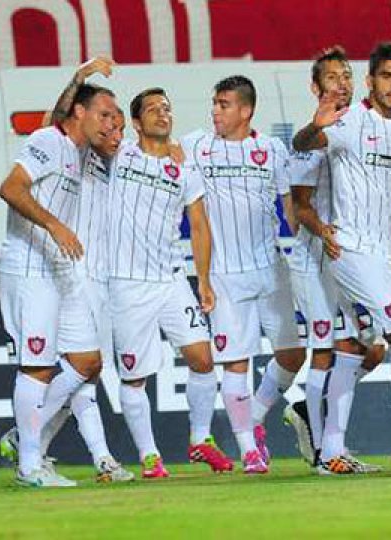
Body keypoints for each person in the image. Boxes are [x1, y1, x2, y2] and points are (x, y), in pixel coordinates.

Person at [291, 41, 391, 474]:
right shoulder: (348, 121)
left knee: (356, 347)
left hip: (380, 254)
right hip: (345, 250)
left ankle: (330, 450)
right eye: (387, 76)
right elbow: (304, 143)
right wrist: (313, 127)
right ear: (372, 81)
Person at [181, 76, 305, 474]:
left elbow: (290, 208)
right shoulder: (197, 146)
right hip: (224, 276)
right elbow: (154, 149)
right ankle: (248, 447)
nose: (215, 111)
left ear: (246, 110)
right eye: (215, 103)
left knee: (292, 354)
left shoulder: (270, 149)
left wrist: (306, 249)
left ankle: (253, 414)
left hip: (271, 270)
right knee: (235, 363)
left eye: (224, 104)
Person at [0, 80, 117, 487]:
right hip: (29, 267)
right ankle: (30, 464)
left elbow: (68, 115)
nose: (110, 123)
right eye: (103, 114)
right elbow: (10, 188)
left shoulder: (78, 151)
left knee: (86, 361)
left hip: (57, 271)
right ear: (78, 113)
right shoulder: (48, 139)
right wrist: (54, 223)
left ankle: (24, 438)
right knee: (36, 367)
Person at [109, 87, 231, 478]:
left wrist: (205, 280)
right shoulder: (119, 154)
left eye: (167, 107)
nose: (163, 114)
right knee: (134, 374)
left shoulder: (184, 169)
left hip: (171, 279)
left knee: (202, 357)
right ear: (136, 122)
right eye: (152, 109)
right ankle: (149, 455)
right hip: (126, 283)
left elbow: (199, 225)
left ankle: (199, 440)